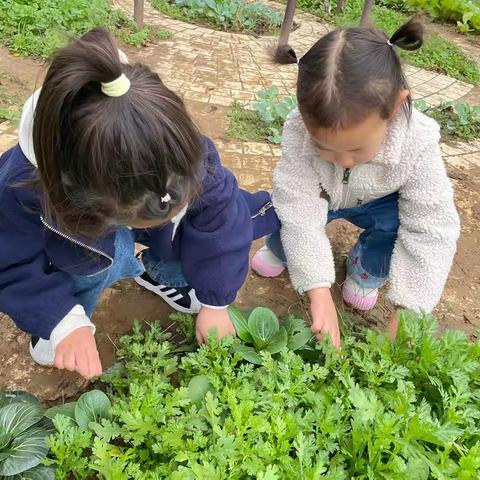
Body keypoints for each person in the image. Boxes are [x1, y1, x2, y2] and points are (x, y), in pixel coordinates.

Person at [0, 28, 279, 379]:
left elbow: (222, 218)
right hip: (76, 241)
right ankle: (69, 315)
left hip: (130, 196)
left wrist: (216, 301)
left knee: (211, 224)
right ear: (78, 195)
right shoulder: (24, 186)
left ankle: (157, 271)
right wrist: (60, 321)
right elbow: (9, 263)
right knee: (97, 258)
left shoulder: (169, 142)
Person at [252, 19, 460, 347]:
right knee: (285, 209)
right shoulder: (297, 129)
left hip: (378, 204)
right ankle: (281, 250)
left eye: (356, 149)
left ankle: (366, 269)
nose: (343, 161)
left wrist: (410, 311)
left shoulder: (417, 142)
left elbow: (432, 230)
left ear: (393, 108)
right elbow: (299, 205)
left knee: (398, 223)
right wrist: (318, 290)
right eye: (324, 148)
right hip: (322, 194)